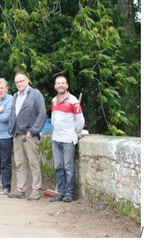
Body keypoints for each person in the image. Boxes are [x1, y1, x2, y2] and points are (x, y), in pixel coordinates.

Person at [8, 72, 46, 200]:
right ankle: (20, 189)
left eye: (21, 81)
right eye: (17, 82)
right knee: (19, 163)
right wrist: (11, 129)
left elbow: (42, 114)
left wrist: (33, 131)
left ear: (27, 80)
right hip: (17, 134)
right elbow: (13, 113)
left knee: (33, 162)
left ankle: (36, 190)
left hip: (29, 135)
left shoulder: (35, 94)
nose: (19, 84)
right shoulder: (15, 96)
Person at [50, 75, 85, 203]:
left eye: (63, 83)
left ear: (67, 85)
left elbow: (80, 120)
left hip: (68, 139)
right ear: (55, 86)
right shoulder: (54, 100)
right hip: (56, 138)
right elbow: (53, 119)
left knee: (69, 167)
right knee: (59, 166)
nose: (60, 85)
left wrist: (74, 133)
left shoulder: (73, 101)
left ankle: (69, 193)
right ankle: (61, 192)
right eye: (58, 83)